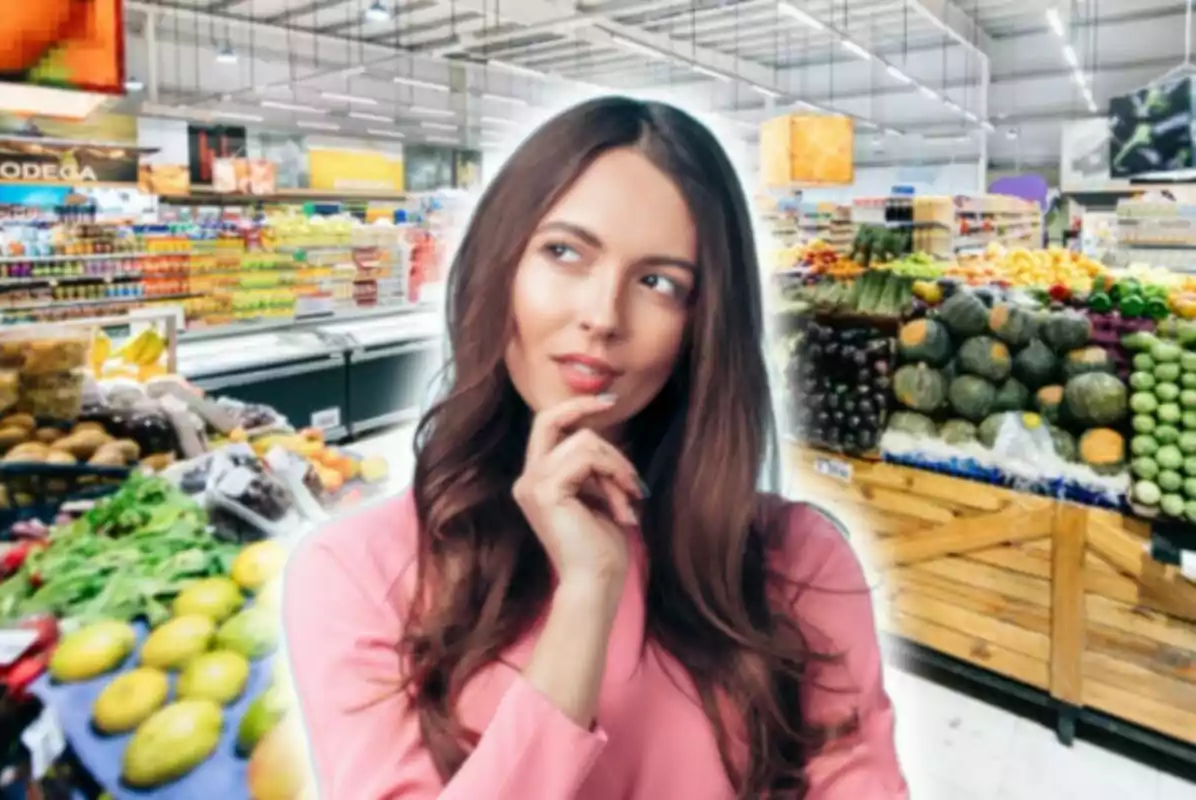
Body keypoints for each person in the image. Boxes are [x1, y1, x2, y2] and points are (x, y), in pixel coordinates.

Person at [283, 96, 908, 799]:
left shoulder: (798, 559)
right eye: (564, 252)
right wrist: (588, 593)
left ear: (703, 324)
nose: (602, 317)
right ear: (501, 261)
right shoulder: (358, 575)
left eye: (659, 283)